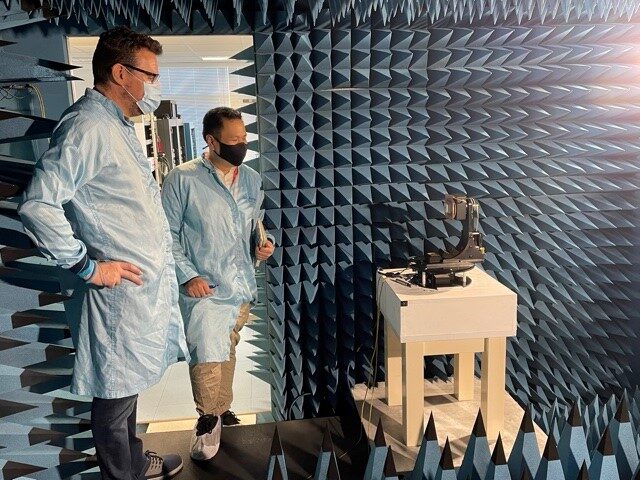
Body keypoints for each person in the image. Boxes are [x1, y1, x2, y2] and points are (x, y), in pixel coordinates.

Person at [19, 27, 188, 480]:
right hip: (116, 300)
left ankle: (133, 463)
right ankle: (123, 475)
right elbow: (37, 204)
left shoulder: (115, 124)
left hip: (136, 295)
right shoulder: (88, 126)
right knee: (113, 402)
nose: (156, 85)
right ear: (120, 71)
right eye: (151, 75)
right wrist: (87, 267)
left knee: (126, 390)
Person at [161, 107, 274, 461]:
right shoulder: (182, 179)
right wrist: (188, 275)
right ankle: (207, 421)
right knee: (207, 355)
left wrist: (263, 245)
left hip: (241, 284)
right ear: (212, 141)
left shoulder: (252, 179)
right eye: (234, 140)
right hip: (204, 286)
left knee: (226, 349)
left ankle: (222, 410)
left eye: (244, 139)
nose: (242, 145)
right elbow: (166, 234)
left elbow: (254, 225)